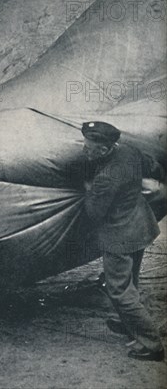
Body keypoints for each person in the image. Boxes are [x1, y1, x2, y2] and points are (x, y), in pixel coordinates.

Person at [81, 121, 165, 362]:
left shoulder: (105, 178)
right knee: (131, 281)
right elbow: (153, 166)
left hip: (119, 236)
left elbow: (94, 213)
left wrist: (88, 188)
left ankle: (151, 344)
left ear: (105, 149)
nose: (85, 150)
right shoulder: (128, 150)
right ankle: (128, 323)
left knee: (118, 290)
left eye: (90, 148)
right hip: (140, 227)